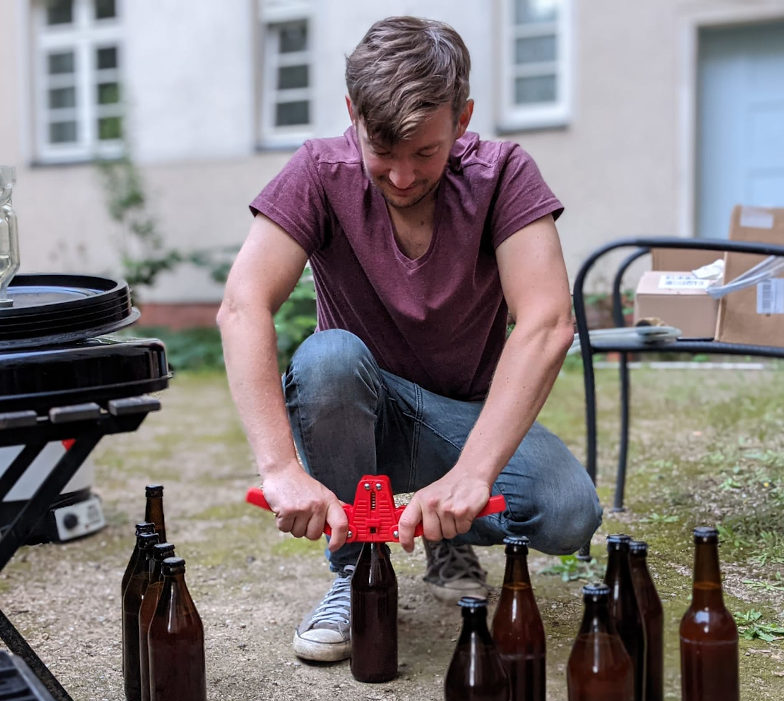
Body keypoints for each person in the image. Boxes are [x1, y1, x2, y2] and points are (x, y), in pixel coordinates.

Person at [217, 16, 601, 663]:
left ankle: (444, 521)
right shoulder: (317, 170)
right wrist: (280, 469)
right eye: (382, 152)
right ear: (352, 115)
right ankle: (355, 572)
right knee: (329, 358)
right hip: (360, 413)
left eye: (424, 152)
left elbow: (546, 322)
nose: (400, 176)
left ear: (463, 116)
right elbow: (242, 304)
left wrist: (476, 472)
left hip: (463, 422)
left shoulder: (504, 173)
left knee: (567, 513)